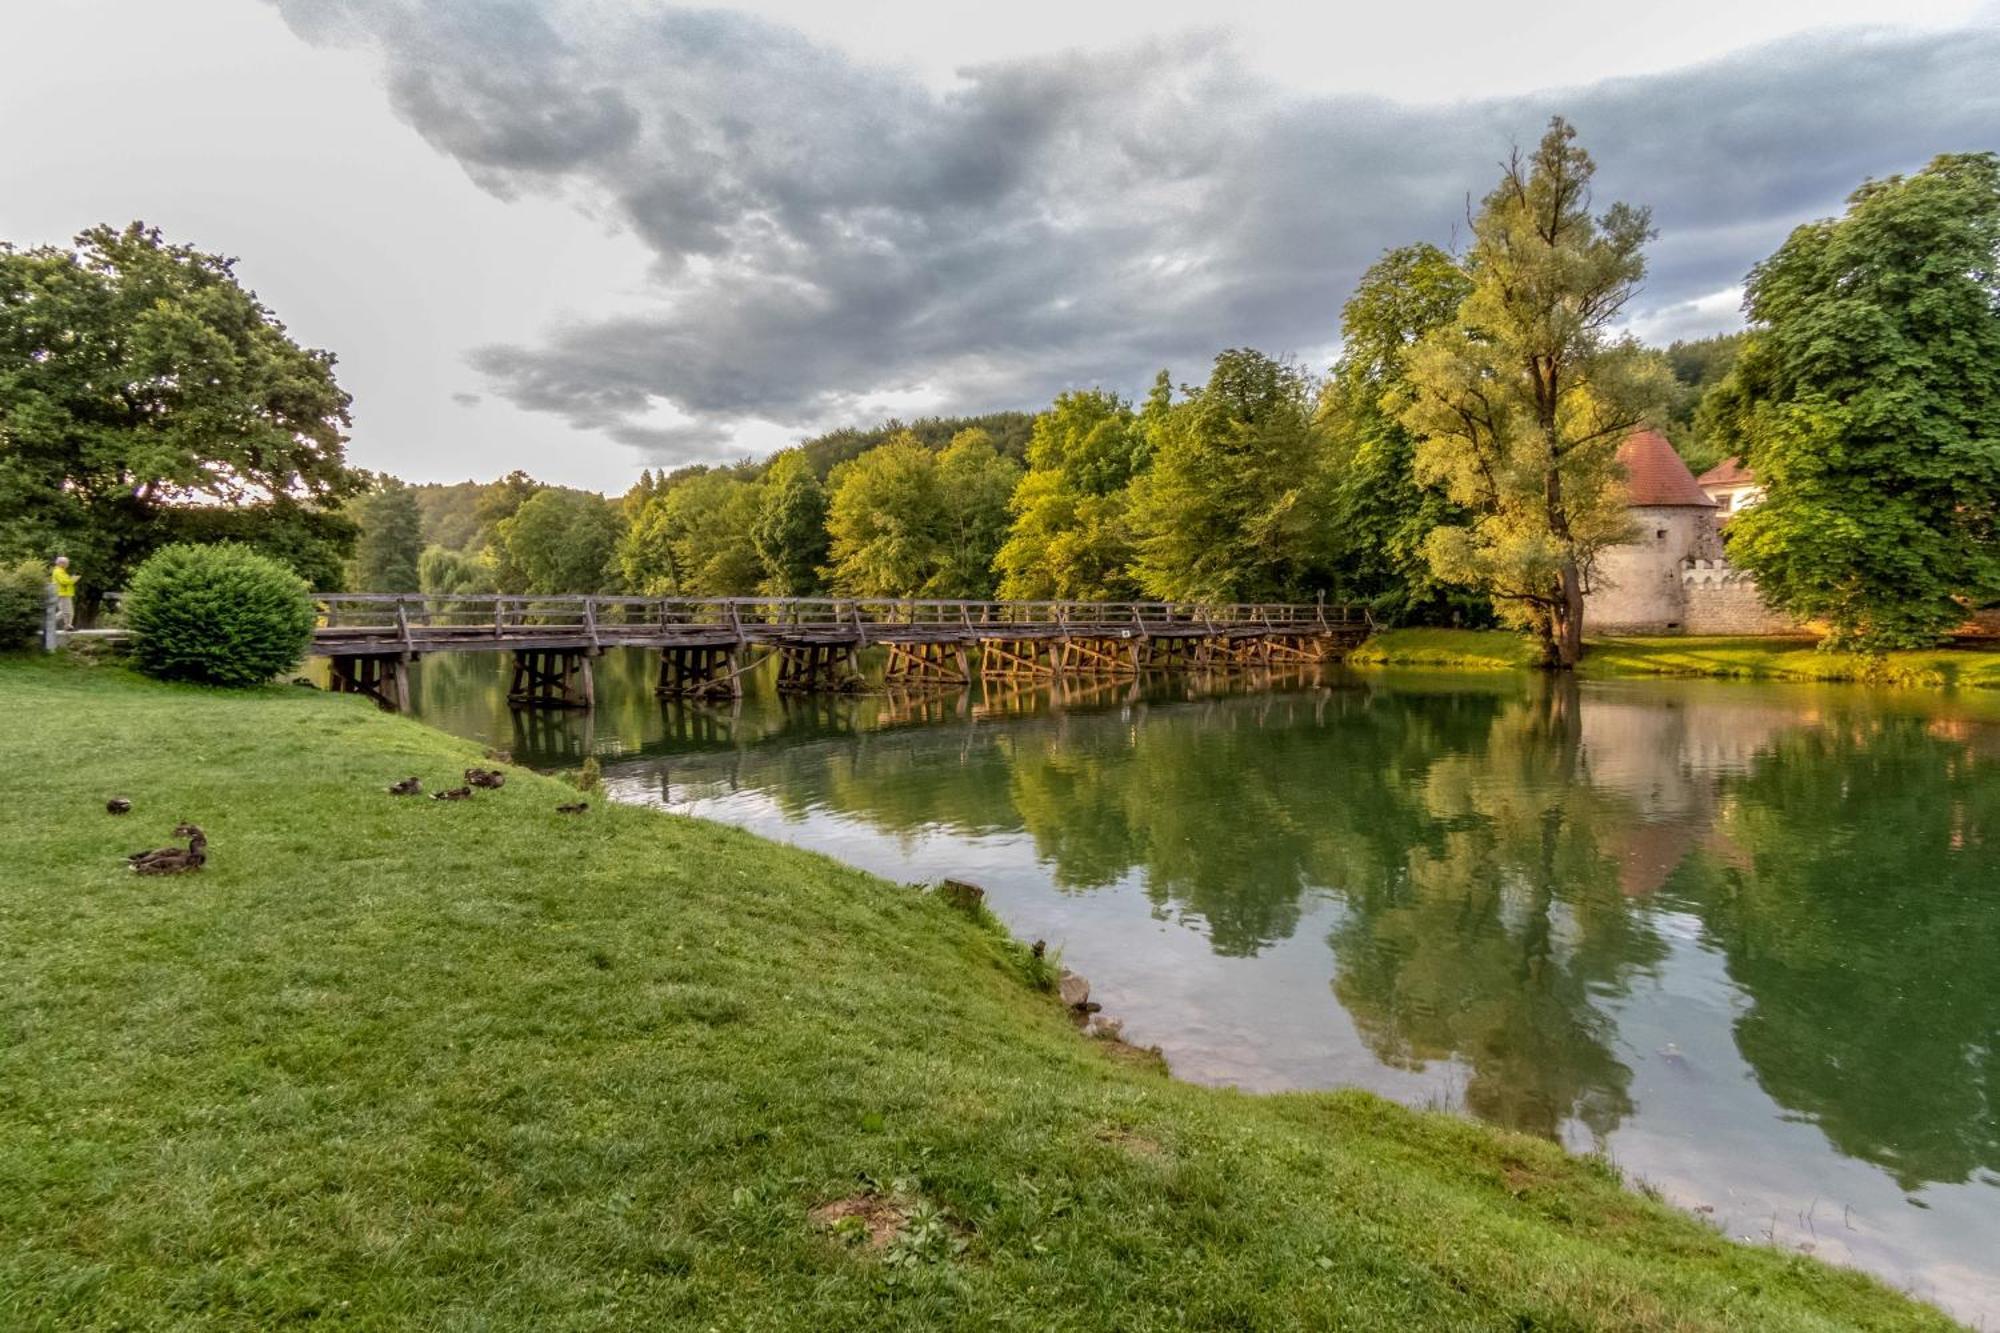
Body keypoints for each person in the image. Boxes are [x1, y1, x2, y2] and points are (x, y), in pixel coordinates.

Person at [49, 556, 77, 632]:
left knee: (68, 611)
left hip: (65, 593)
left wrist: (70, 580)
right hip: (62, 593)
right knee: (66, 611)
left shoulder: (61, 571)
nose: (68, 564)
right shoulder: (58, 571)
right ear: (61, 563)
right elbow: (64, 581)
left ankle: (68, 626)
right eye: (66, 563)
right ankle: (49, 622)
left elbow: (65, 580)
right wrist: (73, 580)